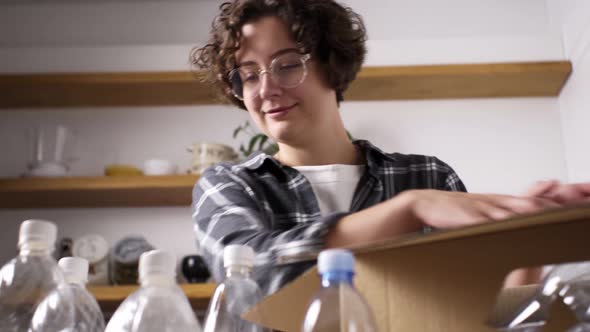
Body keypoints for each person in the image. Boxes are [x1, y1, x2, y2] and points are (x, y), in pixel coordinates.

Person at [190, 0, 590, 294]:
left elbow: (478, 313)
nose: (266, 89)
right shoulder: (228, 185)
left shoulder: (429, 176)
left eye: (288, 63)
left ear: (332, 64)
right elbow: (248, 274)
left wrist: (529, 238)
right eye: (247, 75)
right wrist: (409, 208)